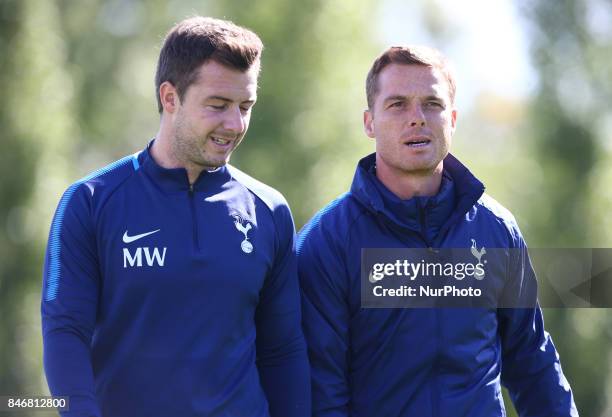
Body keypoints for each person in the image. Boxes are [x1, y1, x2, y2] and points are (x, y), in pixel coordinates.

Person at [42, 16, 310, 417]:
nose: (235, 124)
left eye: (245, 106)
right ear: (170, 98)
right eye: (218, 106)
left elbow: (282, 350)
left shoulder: (269, 210)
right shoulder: (90, 202)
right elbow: (65, 334)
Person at [297, 46, 578, 416]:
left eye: (432, 103)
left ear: (453, 119)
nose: (417, 118)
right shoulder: (327, 240)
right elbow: (321, 390)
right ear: (369, 122)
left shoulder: (496, 230)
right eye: (397, 104)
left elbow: (533, 361)